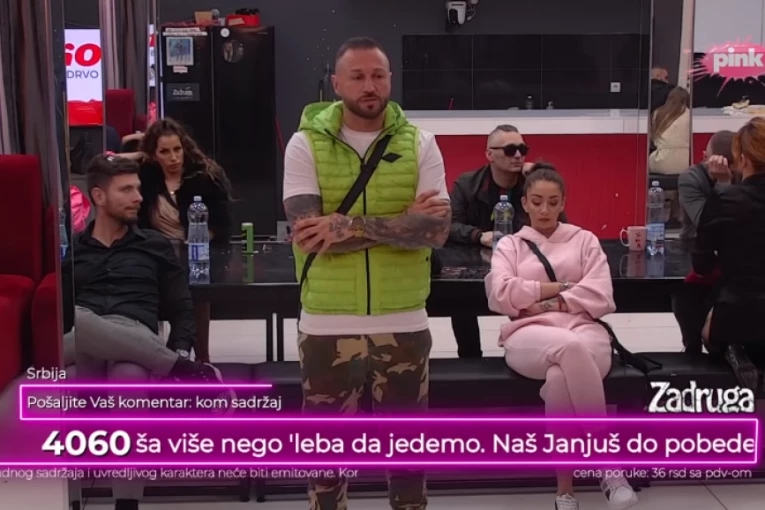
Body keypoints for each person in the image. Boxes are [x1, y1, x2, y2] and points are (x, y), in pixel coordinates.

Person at [283, 36, 450, 510]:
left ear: (390, 80)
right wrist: (402, 222)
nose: (369, 85)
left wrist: (348, 226)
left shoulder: (420, 143)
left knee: (408, 456)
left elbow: (436, 230)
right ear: (336, 84)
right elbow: (309, 234)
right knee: (326, 459)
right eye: (357, 76)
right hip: (326, 322)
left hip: (404, 319)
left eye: (377, 75)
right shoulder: (304, 144)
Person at [65, 154, 232, 510]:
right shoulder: (73, 251)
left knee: (128, 378)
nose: (139, 197)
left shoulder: (154, 246)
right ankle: (181, 370)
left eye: (138, 188)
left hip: (134, 334)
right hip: (82, 335)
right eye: (126, 190)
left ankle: (126, 504)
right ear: (98, 196)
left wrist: (183, 346)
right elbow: (59, 311)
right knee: (79, 321)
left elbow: (181, 306)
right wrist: (178, 361)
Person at [485, 164, 638, 510]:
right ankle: (608, 465)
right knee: (567, 348)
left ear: (563, 203)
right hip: (529, 334)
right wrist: (563, 287)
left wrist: (541, 299)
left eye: (553, 202)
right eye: (537, 201)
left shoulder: (584, 240)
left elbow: (601, 294)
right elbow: (501, 294)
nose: (544, 210)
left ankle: (564, 493)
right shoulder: (510, 244)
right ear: (524, 203)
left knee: (559, 376)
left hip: (584, 330)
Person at [449, 128, 564, 358]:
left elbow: (560, 223)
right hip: (477, 259)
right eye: (510, 150)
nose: (518, 155)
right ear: (489, 154)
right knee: (458, 296)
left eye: (522, 149)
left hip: (526, 257)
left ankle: (536, 351)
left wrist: (539, 176)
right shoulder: (468, 184)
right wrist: (478, 235)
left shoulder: (532, 183)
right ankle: (470, 359)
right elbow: (449, 225)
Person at [136, 118, 234, 362]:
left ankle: (199, 358)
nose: (173, 158)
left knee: (194, 294)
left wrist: (200, 241)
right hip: (156, 254)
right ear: (153, 154)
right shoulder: (144, 179)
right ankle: (158, 356)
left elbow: (222, 226)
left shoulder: (205, 177)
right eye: (164, 152)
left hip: (196, 254)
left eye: (177, 149)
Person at [694, 118, 765, 387]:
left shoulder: (725, 199)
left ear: (743, 160)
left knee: (707, 322)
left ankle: (731, 348)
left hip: (736, 314)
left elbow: (701, 265)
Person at [678, 130, 736, 240]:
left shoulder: (744, 173)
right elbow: (707, 225)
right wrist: (723, 182)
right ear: (705, 158)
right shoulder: (690, 178)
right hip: (696, 242)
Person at [649, 87, 691, 175]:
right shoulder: (690, 115)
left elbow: (653, 139)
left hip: (660, 161)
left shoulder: (658, 113)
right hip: (686, 162)